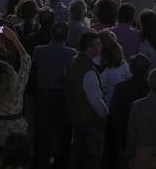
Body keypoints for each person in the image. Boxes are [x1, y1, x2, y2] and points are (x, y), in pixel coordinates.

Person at [31, 21, 75, 169]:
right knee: (61, 130)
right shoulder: (71, 53)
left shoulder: (38, 51)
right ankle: (59, 160)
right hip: (60, 95)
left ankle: (43, 158)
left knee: (44, 129)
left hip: (43, 94)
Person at [65, 30, 108, 169]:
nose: (100, 47)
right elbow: (95, 100)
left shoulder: (73, 63)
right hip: (90, 120)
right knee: (92, 159)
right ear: (89, 47)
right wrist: (105, 112)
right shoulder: (88, 70)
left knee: (78, 157)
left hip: (76, 117)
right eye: (97, 44)